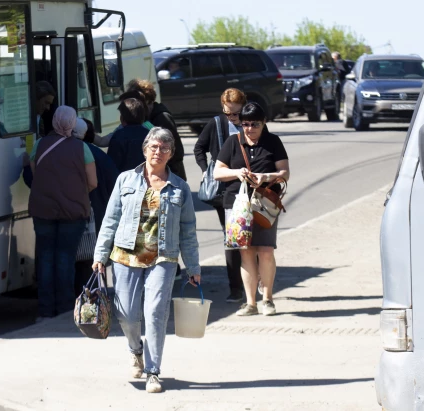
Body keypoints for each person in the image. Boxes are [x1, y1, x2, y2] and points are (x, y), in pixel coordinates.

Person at [92, 127, 201, 394]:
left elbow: (188, 231)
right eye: (154, 147)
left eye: (164, 148)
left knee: (155, 313)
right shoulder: (125, 180)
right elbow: (110, 220)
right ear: (145, 150)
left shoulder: (180, 188)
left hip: (163, 257)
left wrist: (193, 267)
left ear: (171, 154)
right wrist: (100, 255)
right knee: (127, 313)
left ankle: (153, 371)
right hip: (125, 256)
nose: (158, 152)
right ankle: (135, 349)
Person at [214, 102, 290, 316]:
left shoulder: (273, 142)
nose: (249, 128)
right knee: (245, 252)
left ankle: (267, 299)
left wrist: (266, 177)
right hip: (237, 205)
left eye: (254, 124)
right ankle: (250, 303)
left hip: (264, 205)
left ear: (263, 123)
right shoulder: (233, 142)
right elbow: (217, 173)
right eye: (245, 124)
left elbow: (285, 172)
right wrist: (237, 173)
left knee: (265, 251)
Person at [29, 106, 98, 321]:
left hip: (43, 210)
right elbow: (93, 182)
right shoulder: (81, 148)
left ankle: (45, 310)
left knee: (46, 259)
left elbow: (35, 172)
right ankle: (65, 310)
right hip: (73, 212)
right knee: (65, 260)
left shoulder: (40, 145)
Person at [194, 88, 247, 303]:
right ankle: (236, 288)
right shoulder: (216, 124)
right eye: (228, 113)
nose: (232, 118)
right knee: (232, 239)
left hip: (249, 188)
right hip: (224, 191)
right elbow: (199, 148)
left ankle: (254, 281)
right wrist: (208, 171)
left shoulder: (252, 123)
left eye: (236, 113)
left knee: (250, 240)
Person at [73, 118, 119, 296]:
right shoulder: (100, 155)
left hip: (78, 213)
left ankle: (82, 303)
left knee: (80, 262)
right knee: (95, 260)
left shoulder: (71, 152)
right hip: (101, 214)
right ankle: (98, 301)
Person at [126, 79, 187, 181]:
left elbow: (176, 151)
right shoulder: (146, 118)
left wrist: (168, 174)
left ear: (148, 101)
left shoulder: (162, 117)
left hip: (170, 176)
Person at [22, 81, 57, 188]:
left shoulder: (39, 119)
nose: (48, 108)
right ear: (36, 98)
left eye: (50, 104)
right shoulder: (21, 118)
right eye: (46, 102)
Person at [107, 98, 150, 172]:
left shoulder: (119, 136)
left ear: (122, 118)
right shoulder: (150, 134)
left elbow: (112, 165)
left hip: (126, 180)